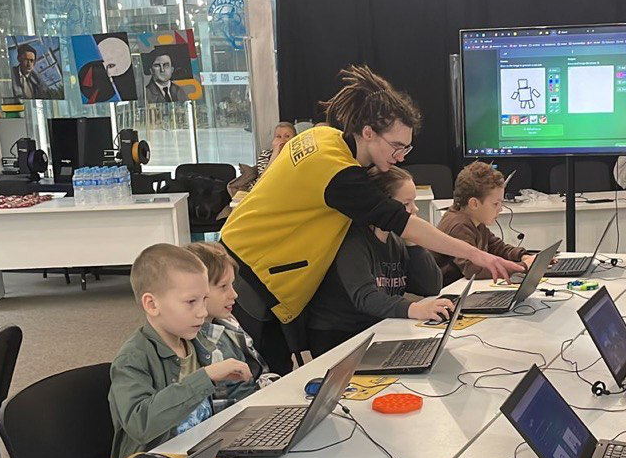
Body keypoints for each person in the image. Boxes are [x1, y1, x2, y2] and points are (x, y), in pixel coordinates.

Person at [218, 65, 523, 374]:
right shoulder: (338, 174)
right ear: (367, 133)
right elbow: (405, 224)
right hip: (251, 270)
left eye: (407, 147)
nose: (402, 156)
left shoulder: (323, 136)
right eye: (397, 146)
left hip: (245, 249)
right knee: (263, 374)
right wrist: (477, 255)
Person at [109, 244, 254, 458]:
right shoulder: (132, 359)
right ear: (152, 304)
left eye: (204, 299)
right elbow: (140, 424)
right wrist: (205, 377)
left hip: (199, 454)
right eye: (191, 302)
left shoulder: (198, 342)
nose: (202, 312)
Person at [305, 167, 451, 356]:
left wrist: (412, 241)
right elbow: (366, 298)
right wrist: (415, 309)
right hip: (341, 338)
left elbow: (431, 286)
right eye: (407, 203)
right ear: (383, 206)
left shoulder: (395, 240)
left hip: (377, 328)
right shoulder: (352, 241)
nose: (414, 209)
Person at [184, 242, 279, 413]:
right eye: (223, 287)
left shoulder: (227, 323)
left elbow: (256, 373)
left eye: (232, 285)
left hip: (256, 402)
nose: (234, 294)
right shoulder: (188, 345)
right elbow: (216, 409)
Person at [433, 162, 535, 284]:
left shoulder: (474, 220)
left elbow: (496, 247)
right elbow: (473, 270)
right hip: (448, 292)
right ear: (474, 204)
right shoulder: (459, 225)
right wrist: (522, 267)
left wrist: (523, 256)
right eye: (495, 204)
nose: (500, 209)